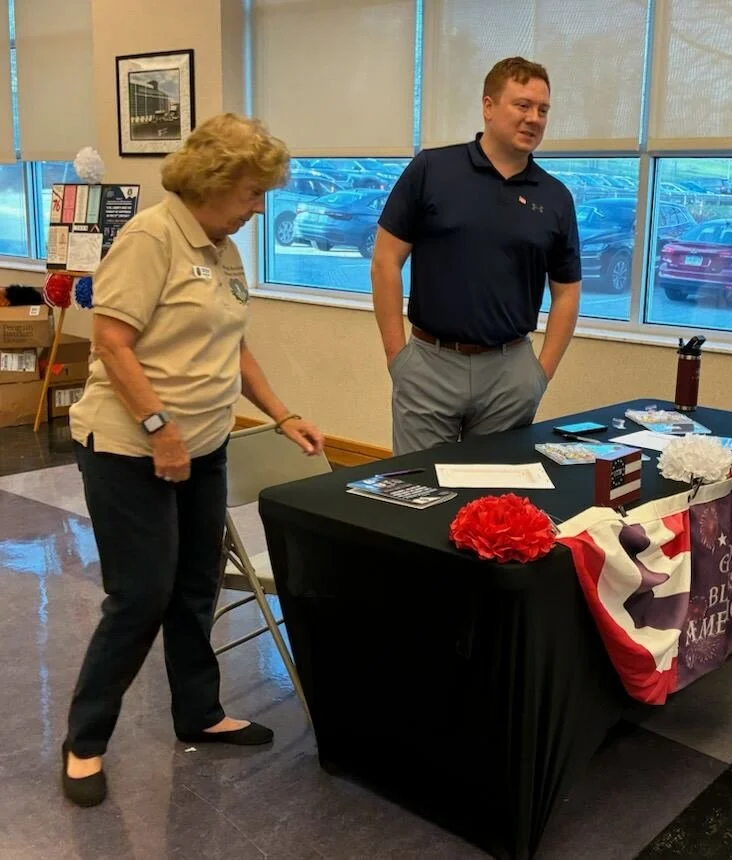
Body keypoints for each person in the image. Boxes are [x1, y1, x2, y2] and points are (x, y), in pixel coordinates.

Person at [61, 113, 325, 808]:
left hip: (204, 445)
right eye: (253, 192)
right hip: (130, 449)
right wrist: (160, 427)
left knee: (196, 584)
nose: (260, 207)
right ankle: (85, 740)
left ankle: (199, 712)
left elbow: (233, 346)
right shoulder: (152, 237)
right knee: (141, 594)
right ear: (214, 182)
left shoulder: (220, 246)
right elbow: (112, 342)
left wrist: (283, 414)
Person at [371, 56, 581, 456]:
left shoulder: (555, 198)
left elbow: (567, 292)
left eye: (543, 110)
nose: (534, 118)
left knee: (492, 490)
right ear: (488, 106)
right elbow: (385, 261)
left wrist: (540, 374)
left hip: (510, 373)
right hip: (429, 366)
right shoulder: (432, 169)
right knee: (418, 486)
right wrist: (397, 358)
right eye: (522, 105)